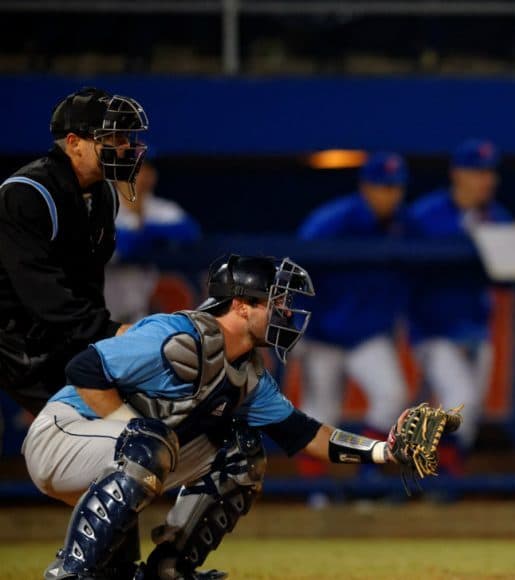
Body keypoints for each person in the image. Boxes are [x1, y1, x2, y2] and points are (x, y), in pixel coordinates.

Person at [22, 255, 443, 579]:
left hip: (125, 455)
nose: (285, 312)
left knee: (240, 453)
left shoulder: (247, 375)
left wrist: (384, 452)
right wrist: (132, 430)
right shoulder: (176, 334)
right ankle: (72, 573)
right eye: (276, 302)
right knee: (149, 442)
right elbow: (84, 370)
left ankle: (169, 569)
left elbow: (304, 433)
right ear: (242, 305)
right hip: (62, 437)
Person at [1, 87, 148, 414]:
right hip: (15, 337)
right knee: (94, 423)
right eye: (112, 139)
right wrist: (109, 332)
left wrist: (101, 341)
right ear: (73, 143)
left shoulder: (103, 195)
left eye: (125, 137)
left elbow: (86, 285)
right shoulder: (27, 193)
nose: (124, 147)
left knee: (126, 414)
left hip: (51, 335)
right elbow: (44, 292)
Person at [406, 138, 511, 469]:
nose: (485, 180)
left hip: (476, 327)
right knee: (459, 400)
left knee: (468, 410)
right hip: (433, 328)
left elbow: (509, 276)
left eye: (489, 172)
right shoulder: (424, 215)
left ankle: (425, 475)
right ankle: (441, 481)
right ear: (457, 174)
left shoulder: (497, 215)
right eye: (476, 172)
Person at [296, 152, 410, 451]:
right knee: (320, 414)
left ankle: (367, 477)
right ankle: (315, 494)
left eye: (396, 188)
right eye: (384, 187)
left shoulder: (403, 224)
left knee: (393, 395)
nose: (391, 195)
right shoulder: (333, 220)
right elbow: (296, 268)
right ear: (366, 187)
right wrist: (297, 326)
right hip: (322, 334)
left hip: (365, 334)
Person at [105, 158, 202, 322]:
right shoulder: (103, 207)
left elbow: (190, 232)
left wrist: (145, 231)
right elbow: (123, 246)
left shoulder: (159, 208)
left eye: (145, 170)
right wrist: (152, 238)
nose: (140, 176)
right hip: (108, 303)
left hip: (143, 305)